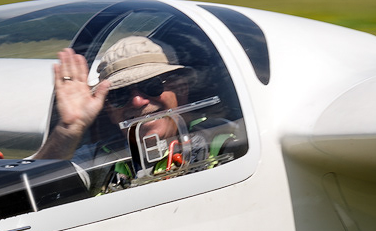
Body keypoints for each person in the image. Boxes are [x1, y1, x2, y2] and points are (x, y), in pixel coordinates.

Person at [31, 35, 241, 189]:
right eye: (120, 95)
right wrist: (69, 128)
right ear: (110, 110)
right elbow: (33, 187)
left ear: (181, 89)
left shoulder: (223, 138)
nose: (137, 101)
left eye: (151, 85)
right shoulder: (97, 158)